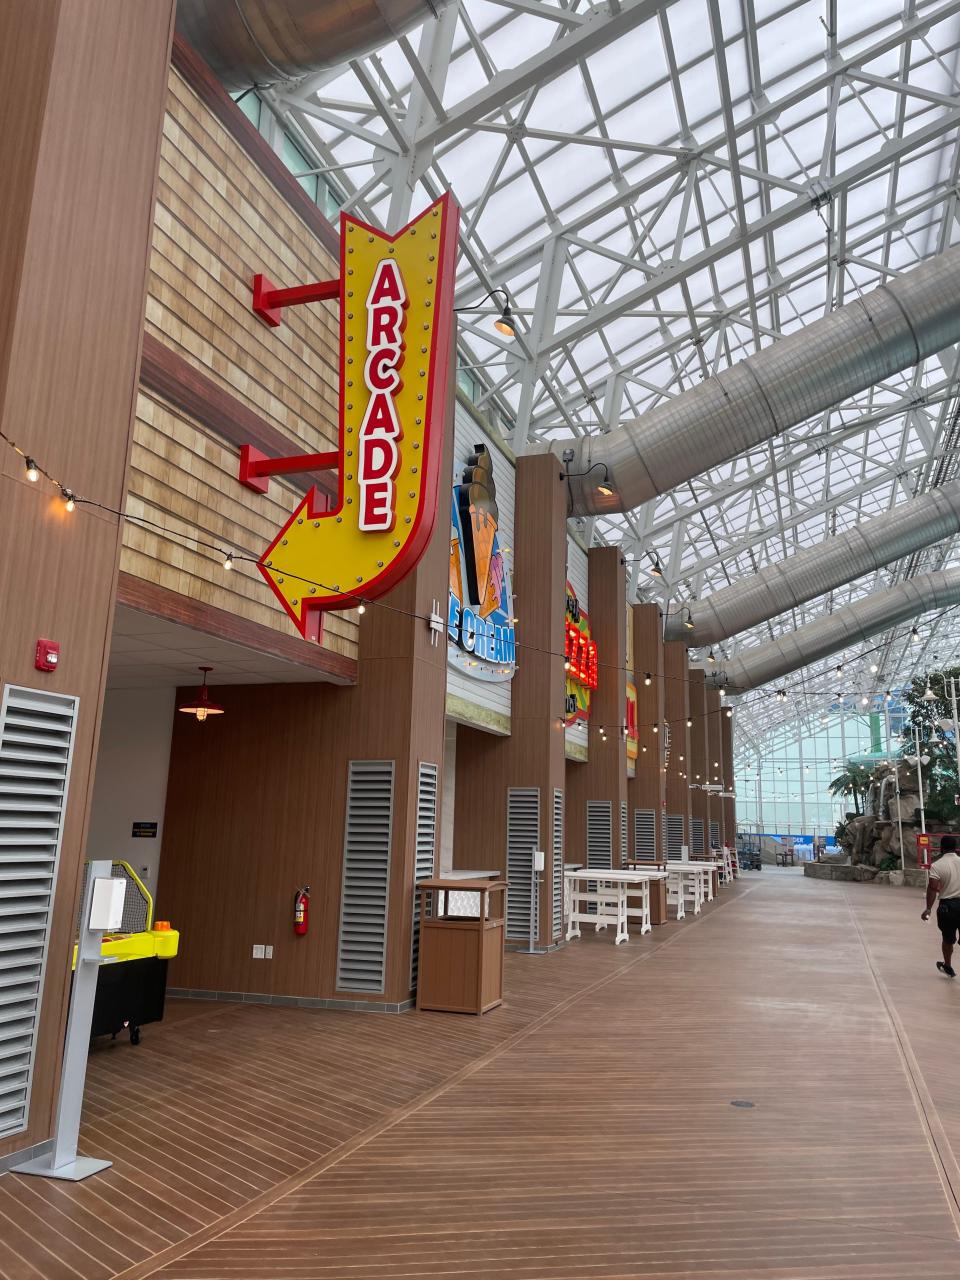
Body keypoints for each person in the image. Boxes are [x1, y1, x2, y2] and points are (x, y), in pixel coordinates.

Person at [921, 834, 960, 977]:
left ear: (942, 848)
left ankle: (948, 965)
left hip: (948, 907)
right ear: (956, 848)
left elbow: (932, 888)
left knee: (948, 939)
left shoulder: (937, 866)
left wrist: (928, 909)